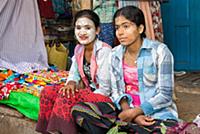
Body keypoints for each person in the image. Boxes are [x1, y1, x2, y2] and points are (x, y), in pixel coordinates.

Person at [72, 6, 178, 134]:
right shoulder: (114, 54)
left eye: (126, 26)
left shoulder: (160, 52)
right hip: (123, 111)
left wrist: (136, 112)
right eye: (117, 28)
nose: (120, 32)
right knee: (79, 110)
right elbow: (116, 92)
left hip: (155, 113)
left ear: (140, 28)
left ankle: (125, 128)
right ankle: (128, 127)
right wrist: (130, 113)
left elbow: (165, 95)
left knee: (165, 129)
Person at [36, 9, 112, 134]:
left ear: (97, 30)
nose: (82, 32)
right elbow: (74, 73)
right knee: (47, 92)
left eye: (87, 28)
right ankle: (48, 131)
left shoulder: (104, 51)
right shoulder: (79, 49)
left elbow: (105, 89)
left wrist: (79, 96)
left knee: (65, 97)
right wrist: (71, 83)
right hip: (90, 92)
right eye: (78, 28)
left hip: (105, 97)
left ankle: (66, 131)